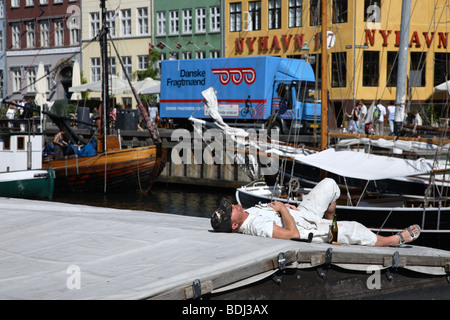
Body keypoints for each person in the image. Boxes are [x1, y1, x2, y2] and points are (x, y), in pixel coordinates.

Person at [211, 178, 421, 247]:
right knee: (355, 229)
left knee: (330, 184)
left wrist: (286, 210)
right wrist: (283, 209)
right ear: (235, 225)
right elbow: (291, 234)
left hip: (300, 214)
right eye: (230, 211)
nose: (232, 205)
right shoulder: (255, 227)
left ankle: (332, 224)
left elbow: (276, 214)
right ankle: (390, 240)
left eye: (228, 205)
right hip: (305, 227)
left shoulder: (247, 213)